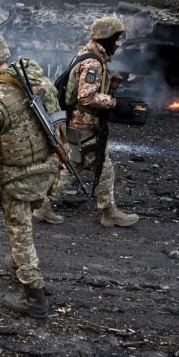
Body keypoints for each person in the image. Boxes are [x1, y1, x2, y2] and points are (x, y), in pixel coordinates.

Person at [0, 31, 61, 319]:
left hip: (16, 178)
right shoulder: (40, 82)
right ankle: (20, 263)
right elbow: (59, 126)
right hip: (48, 169)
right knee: (25, 223)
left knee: (19, 232)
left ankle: (34, 296)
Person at [33, 16, 139, 227]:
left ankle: (43, 206)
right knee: (103, 167)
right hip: (84, 125)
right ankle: (109, 213)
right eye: (117, 39)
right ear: (107, 38)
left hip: (75, 123)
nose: (119, 44)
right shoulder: (93, 63)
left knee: (74, 165)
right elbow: (86, 97)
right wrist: (114, 103)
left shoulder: (86, 54)